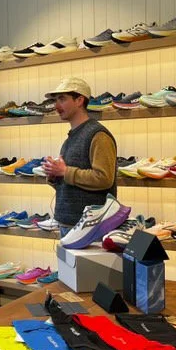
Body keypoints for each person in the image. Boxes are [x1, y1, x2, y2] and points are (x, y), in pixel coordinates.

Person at [41, 77, 117, 235]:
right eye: (55, 100)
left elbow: (104, 178)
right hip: (70, 224)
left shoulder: (98, 135)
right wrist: (54, 174)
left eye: (62, 99)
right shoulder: (70, 138)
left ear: (79, 100)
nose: (56, 106)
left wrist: (64, 171)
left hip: (89, 227)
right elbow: (70, 183)